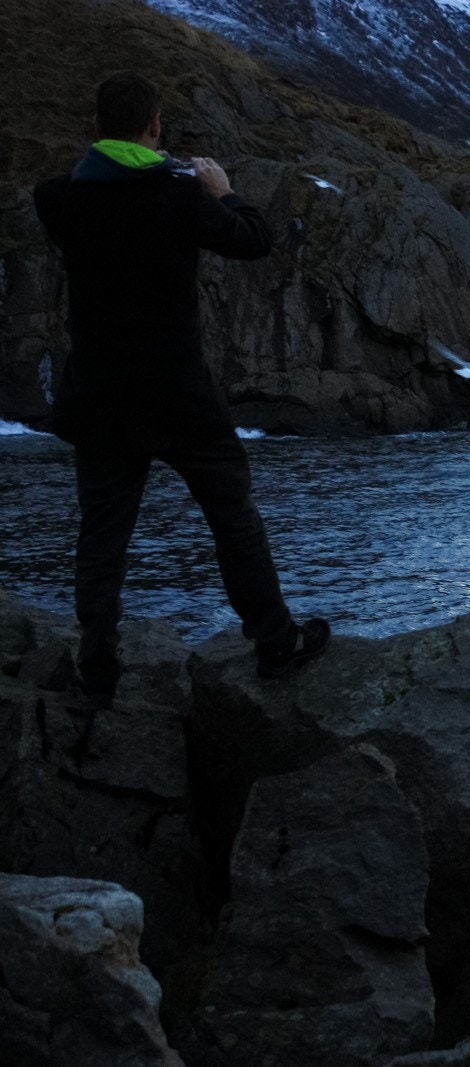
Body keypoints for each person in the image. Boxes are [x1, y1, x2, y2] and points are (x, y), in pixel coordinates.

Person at [32, 71, 328, 705]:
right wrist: (222, 193)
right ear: (155, 125)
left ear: (98, 127)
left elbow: (77, 185)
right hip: (178, 393)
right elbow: (255, 241)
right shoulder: (179, 195)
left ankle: (98, 664)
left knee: (103, 530)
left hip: (99, 396)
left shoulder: (59, 199)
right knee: (232, 516)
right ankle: (275, 642)